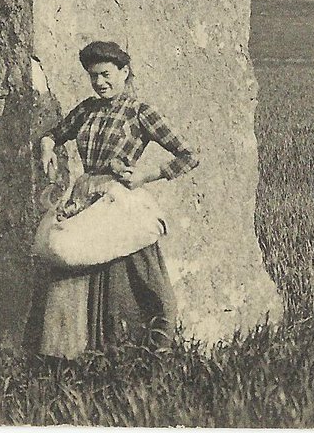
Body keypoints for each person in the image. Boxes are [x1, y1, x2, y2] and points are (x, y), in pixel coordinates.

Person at [35, 40, 198, 356]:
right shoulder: (87, 109)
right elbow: (53, 134)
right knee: (81, 278)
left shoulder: (140, 112)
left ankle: (149, 354)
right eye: (93, 76)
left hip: (118, 201)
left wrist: (145, 177)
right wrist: (46, 148)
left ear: (124, 72)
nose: (100, 82)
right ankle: (86, 358)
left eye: (106, 74)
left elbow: (188, 155)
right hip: (84, 197)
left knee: (142, 281)